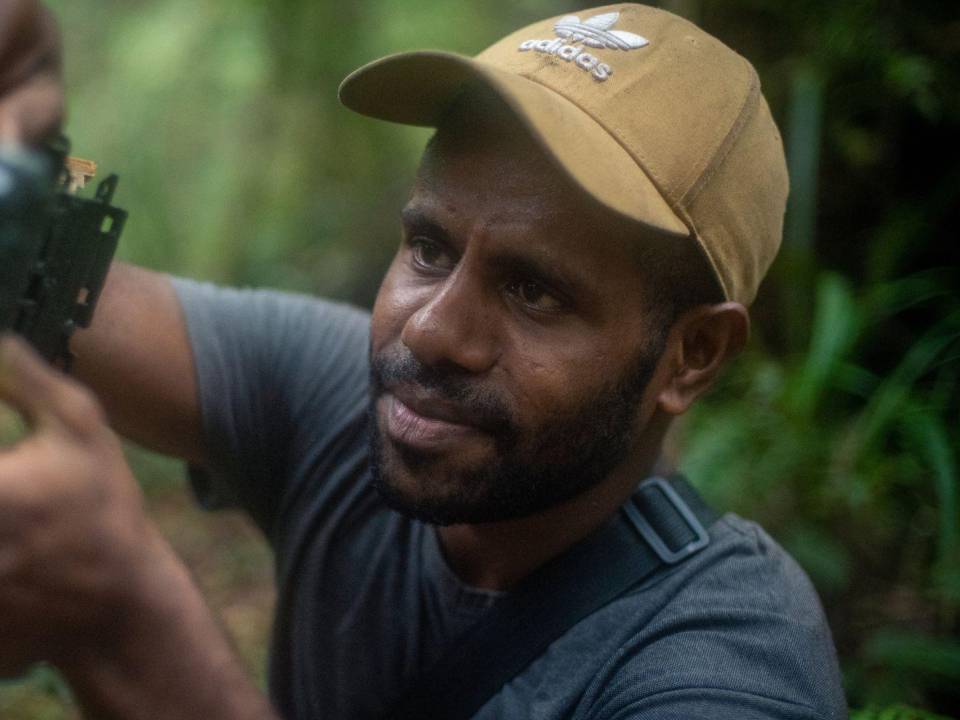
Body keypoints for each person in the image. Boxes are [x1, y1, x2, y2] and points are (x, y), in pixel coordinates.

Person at [0, 2, 848, 718]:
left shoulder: (720, 668)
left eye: (534, 292)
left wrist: (130, 631)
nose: (434, 332)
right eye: (429, 248)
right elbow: (43, 286)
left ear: (692, 355)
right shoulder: (352, 399)